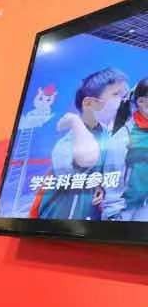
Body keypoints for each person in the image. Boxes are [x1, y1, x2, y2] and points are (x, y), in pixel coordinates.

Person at [37, 68, 128, 220]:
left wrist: (100, 186)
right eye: (116, 94)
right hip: (57, 221)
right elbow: (85, 161)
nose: (123, 100)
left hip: (88, 221)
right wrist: (75, 122)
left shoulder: (107, 136)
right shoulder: (68, 141)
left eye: (124, 96)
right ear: (89, 103)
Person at [107, 77, 148, 221]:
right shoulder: (125, 136)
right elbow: (112, 178)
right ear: (141, 102)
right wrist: (113, 214)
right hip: (127, 212)